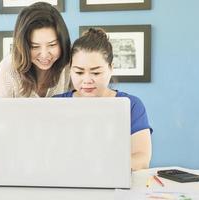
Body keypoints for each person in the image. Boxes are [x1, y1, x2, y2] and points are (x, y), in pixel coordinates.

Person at [0, 2, 71, 176]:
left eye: (52, 45)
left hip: (44, 144)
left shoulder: (68, 67)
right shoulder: (7, 71)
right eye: (34, 47)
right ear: (23, 45)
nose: (44, 54)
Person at [54, 28, 152, 171]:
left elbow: (142, 159)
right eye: (79, 72)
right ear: (70, 70)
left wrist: (98, 167)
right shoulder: (54, 105)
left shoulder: (132, 105)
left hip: (116, 185)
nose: (87, 80)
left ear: (111, 68)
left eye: (96, 72)